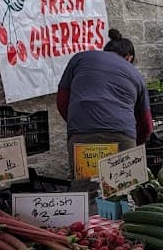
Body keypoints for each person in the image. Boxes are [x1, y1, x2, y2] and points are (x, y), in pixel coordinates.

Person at [56, 28, 153, 173]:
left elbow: (62, 100)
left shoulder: (80, 58)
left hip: (82, 133)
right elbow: (146, 124)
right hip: (122, 135)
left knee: (85, 187)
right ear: (129, 58)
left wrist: (79, 124)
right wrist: (135, 142)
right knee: (122, 188)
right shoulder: (136, 75)